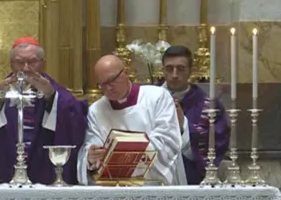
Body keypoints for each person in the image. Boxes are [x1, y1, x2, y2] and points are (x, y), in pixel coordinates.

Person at [0, 37, 88, 185]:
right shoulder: (1, 90)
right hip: (6, 163)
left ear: (43, 62)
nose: (26, 68)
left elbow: (75, 116)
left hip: (44, 165)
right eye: (19, 62)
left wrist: (51, 97)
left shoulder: (53, 91)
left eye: (32, 61)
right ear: (11, 64)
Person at [77, 54, 185, 186]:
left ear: (126, 72)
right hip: (115, 189)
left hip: (154, 185)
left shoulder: (157, 97)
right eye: (103, 84)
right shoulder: (96, 110)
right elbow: (92, 145)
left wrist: (127, 154)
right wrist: (91, 156)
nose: (109, 88)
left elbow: (168, 140)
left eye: (113, 80)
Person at [162, 45, 230, 184]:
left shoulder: (209, 106)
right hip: (154, 179)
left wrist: (184, 126)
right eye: (169, 69)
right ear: (162, 70)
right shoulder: (149, 100)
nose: (174, 75)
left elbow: (218, 144)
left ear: (190, 71)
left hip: (194, 180)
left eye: (181, 69)